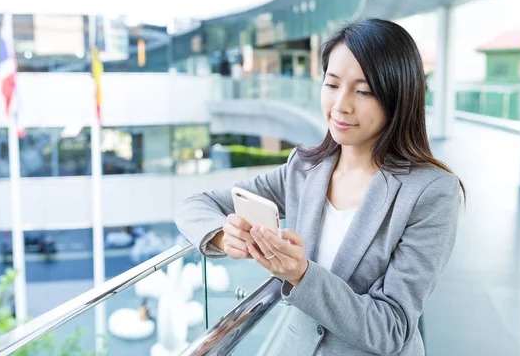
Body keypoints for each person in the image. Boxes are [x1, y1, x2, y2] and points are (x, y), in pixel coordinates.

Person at [175, 18, 464, 356]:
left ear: (398, 96)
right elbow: (194, 204)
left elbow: (392, 328)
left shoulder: (431, 192)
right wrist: (227, 236)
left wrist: (301, 274)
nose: (341, 104)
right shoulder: (303, 169)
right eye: (332, 84)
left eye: (364, 90)